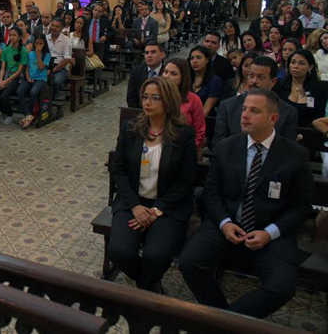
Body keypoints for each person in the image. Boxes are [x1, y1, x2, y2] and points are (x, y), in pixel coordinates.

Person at [180, 89, 314, 319]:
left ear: (273, 118)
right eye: (244, 109)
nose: (245, 115)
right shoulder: (226, 147)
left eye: (254, 111)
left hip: (271, 230)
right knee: (190, 263)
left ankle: (227, 321)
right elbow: (212, 192)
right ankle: (224, 319)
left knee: (282, 286)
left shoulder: (295, 154)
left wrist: (269, 233)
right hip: (228, 222)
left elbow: (301, 206)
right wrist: (224, 223)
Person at [109, 77, 198, 292]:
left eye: (155, 98)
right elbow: (118, 169)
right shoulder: (131, 128)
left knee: (157, 255)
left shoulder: (183, 133)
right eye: (145, 97)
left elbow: (187, 179)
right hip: (133, 202)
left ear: (168, 101)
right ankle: (148, 284)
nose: (148, 102)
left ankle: (146, 285)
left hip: (168, 205)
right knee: (120, 251)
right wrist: (136, 207)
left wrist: (157, 210)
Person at [213, 56, 298, 146]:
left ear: (273, 81)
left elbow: (288, 149)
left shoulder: (288, 112)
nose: (254, 81)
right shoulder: (227, 106)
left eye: (260, 77)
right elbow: (218, 145)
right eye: (251, 75)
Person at [273, 49, 328, 128]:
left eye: (301, 63)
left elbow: (320, 116)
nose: (295, 66)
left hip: (312, 134)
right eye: (293, 62)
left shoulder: (321, 88)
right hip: (283, 133)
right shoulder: (278, 85)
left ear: (310, 67)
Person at [162, 58, 206, 154]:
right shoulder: (156, 96)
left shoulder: (194, 100)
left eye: (173, 74)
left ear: (183, 77)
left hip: (183, 150)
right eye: (165, 72)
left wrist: (189, 150)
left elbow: (200, 132)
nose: (167, 76)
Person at [0, 26, 27, 125]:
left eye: (14, 35)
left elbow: (19, 71)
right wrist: (1, 80)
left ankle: (10, 114)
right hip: (5, 75)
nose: (11, 37)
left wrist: (6, 81)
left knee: (4, 96)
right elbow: (3, 68)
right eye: (10, 35)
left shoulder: (23, 51)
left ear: (20, 37)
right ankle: (3, 112)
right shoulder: (6, 50)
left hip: (16, 78)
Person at [17, 33, 51, 129]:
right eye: (37, 43)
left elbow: (41, 67)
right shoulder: (30, 54)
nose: (38, 46)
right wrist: (27, 77)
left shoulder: (47, 55)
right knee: (20, 91)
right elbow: (27, 67)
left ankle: (31, 114)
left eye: (41, 44)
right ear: (34, 43)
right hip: (30, 77)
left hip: (41, 79)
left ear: (44, 44)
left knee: (33, 92)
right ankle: (28, 115)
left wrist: (39, 55)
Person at [126, 42, 165, 108]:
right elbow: (131, 98)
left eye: (153, 52)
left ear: (162, 55)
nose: (149, 55)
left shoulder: (166, 72)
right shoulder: (136, 71)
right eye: (146, 53)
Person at [189, 45, 222, 117]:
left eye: (199, 58)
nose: (194, 61)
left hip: (204, 121)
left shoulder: (214, 81)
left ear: (207, 60)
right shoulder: (186, 79)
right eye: (192, 58)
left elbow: (206, 109)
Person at [46, 17, 73, 101]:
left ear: (61, 28)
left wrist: (52, 70)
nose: (53, 28)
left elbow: (67, 59)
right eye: (52, 25)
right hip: (46, 65)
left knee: (56, 80)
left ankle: (50, 101)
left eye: (56, 26)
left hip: (61, 67)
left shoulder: (67, 41)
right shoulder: (46, 38)